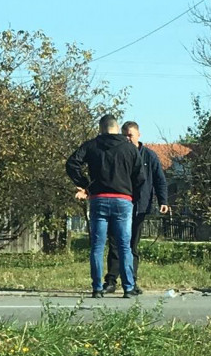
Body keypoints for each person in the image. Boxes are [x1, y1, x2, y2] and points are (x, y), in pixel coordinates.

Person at [66, 114, 145, 298]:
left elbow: (72, 163)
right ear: (117, 128)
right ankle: (128, 287)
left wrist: (86, 184)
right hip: (123, 199)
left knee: (97, 246)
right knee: (124, 245)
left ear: (101, 129)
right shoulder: (130, 148)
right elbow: (140, 177)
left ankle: (97, 288)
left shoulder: (91, 145)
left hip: (99, 199)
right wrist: (132, 195)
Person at [102, 121, 169, 294]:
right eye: (124, 135)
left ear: (138, 135)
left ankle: (131, 282)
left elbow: (159, 179)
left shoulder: (149, 156)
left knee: (132, 246)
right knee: (115, 243)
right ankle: (111, 281)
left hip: (139, 206)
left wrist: (163, 201)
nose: (127, 138)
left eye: (130, 135)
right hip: (118, 204)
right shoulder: (119, 153)